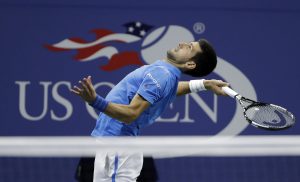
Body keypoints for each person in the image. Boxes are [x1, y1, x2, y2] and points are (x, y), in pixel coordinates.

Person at [71, 39, 229, 182]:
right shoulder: (166, 75)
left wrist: (94, 101)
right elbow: (171, 90)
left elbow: (131, 114)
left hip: (117, 145)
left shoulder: (162, 75)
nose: (182, 43)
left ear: (190, 64)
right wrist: (204, 84)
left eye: (189, 47)